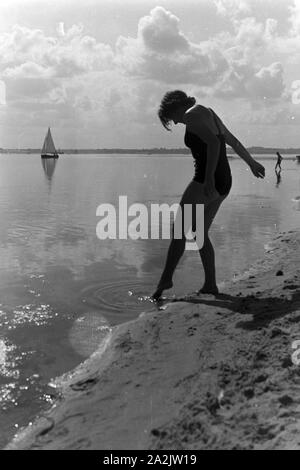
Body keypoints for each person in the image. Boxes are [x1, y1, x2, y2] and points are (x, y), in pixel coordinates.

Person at [151, 90, 265, 301]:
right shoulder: (208, 112)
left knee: (179, 229)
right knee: (199, 232)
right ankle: (210, 285)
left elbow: (213, 144)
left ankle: (165, 280)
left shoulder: (191, 115)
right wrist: (251, 163)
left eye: (170, 118)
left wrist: (209, 178)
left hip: (206, 179)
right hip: (225, 181)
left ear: (175, 107)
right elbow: (232, 141)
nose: (175, 123)